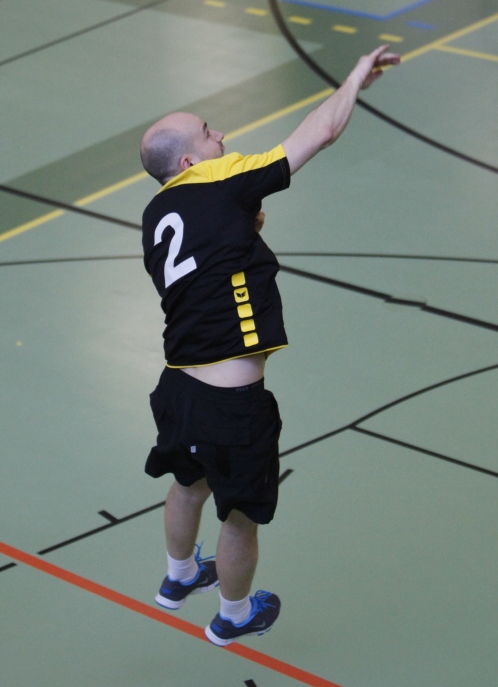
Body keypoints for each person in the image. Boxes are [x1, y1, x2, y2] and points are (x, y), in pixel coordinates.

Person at [139, 45, 399, 646]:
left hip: (178, 388)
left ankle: (178, 576)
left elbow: (214, 260)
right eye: (208, 131)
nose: (221, 135)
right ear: (189, 161)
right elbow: (320, 132)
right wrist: (354, 76)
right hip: (232, 404)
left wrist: (246, 229)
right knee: (240, 517)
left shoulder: (156, 215)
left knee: (188, 483)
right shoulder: (219, 178)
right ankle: (234, 615)